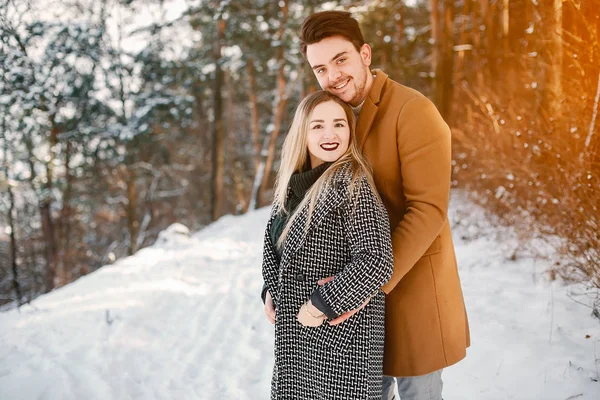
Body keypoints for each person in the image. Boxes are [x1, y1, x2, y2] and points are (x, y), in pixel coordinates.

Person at [264, 10, 471, 400]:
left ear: (365, 54)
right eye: (320, 68)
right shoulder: (332, 119)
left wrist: (368, 285)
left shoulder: (414, 111)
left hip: (411, 293)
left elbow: (428, 209)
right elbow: (301, 200)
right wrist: (278, 282)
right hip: (347, 311)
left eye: (341, 60)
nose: (333, 75)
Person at [261, 90, 394, 400]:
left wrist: (321, 305)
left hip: (341, 348)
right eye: (318, 126)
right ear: (302, 133)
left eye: (339, 124)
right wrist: (269, 289)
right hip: (298, 344)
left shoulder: (353, 185)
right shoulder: (293, 186)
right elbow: (278, 248)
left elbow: (376, 260)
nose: (330, 134)